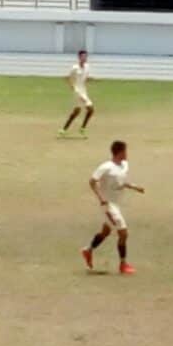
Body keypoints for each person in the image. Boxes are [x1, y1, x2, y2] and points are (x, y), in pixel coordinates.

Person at [81, 140, 145, 275]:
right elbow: (92, 181)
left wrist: (134, 187)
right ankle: (123, 264)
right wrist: (101, 199)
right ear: (120, 152)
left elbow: (120, 181)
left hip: (117, 204)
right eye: (125, 151)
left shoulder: (124, 165)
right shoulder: (106, 167)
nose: (127, 153)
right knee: (123, 233)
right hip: (108, 206)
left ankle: (88, 250)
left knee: (106, 231)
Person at [59, 50, 94, 138]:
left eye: (86, 56)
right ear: (79, 57)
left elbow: (85, 78)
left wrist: (92, 80)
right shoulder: (74, 67)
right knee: (90, 108)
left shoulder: (87, 67)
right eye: (83, 56)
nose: (85, 58)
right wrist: (73, 87)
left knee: (76, 112)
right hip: (77, 91)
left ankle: (63, 130)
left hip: (83, 91)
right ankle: (82, 128)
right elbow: (67, 78)